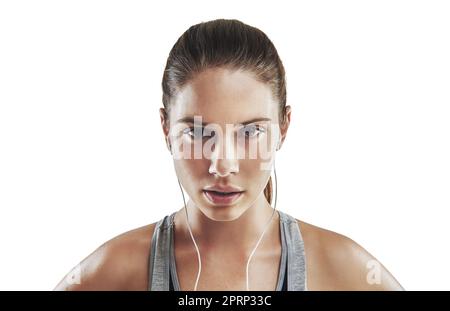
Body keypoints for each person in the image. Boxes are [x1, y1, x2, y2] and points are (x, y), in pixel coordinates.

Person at [54, 18, 403, 291]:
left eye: (250, 132)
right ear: (166, 129)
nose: (222, 163)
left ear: (283, 127)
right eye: (197, 132)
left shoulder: (341, 265)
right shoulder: (120, 267)